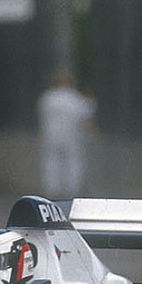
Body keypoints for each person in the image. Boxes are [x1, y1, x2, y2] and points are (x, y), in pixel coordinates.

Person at [38, 70, 95, 198]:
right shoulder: (76, 99)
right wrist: (91, 135)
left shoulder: (47, 98)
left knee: (51, 162)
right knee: (74, 162)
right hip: (72, 137)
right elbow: (85, 120)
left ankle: (52, 192)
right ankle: (72, 192)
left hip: (51, 136)